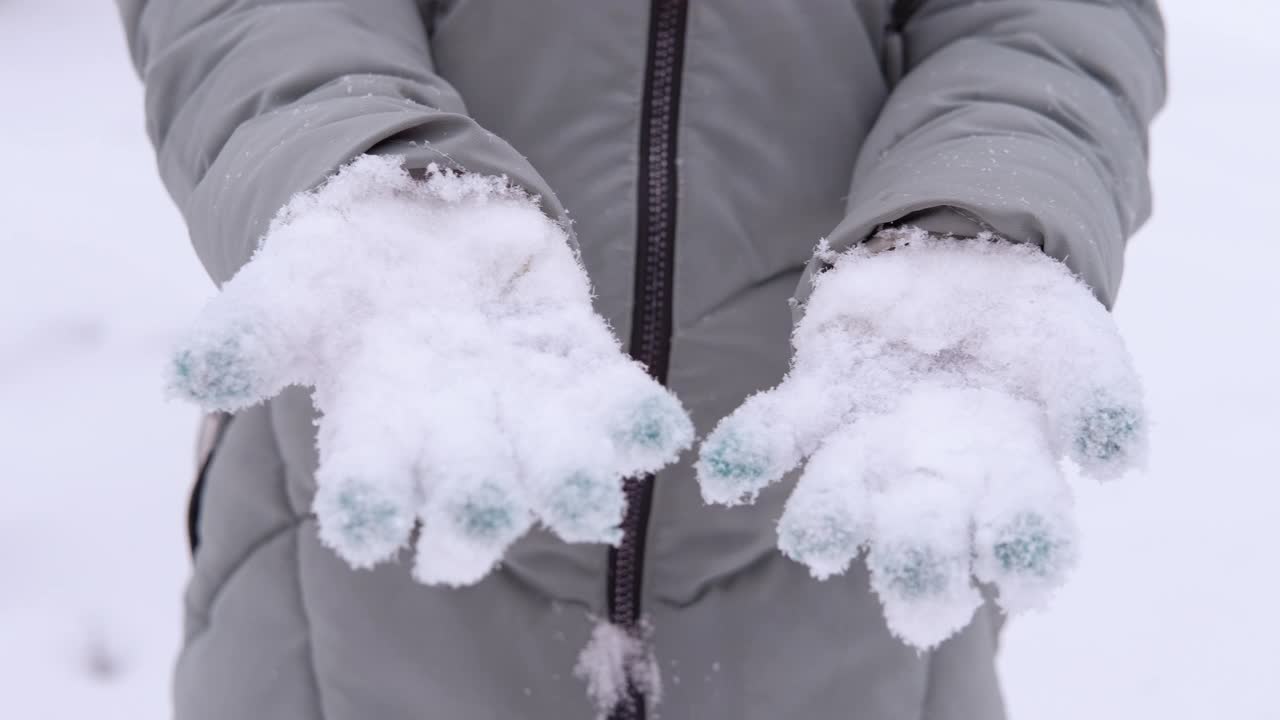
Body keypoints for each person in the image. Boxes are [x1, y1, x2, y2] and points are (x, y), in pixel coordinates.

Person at [118, 1, 1165, 718]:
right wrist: (371, 173)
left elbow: (1036, 22)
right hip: (387, 472)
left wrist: (974, 218)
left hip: (835, 500)